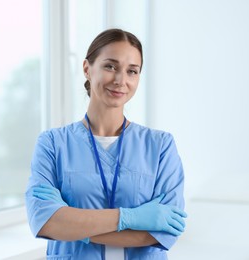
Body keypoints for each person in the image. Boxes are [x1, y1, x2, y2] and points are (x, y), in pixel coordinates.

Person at [25, 28, 186, 260]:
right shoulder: (52, 145)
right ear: (87, 69)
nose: (121, 80)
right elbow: (44, 222)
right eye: (110, 66)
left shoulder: (160, 147)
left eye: (132, 71)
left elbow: (163, 233)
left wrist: (72, 227)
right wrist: (131, 218)